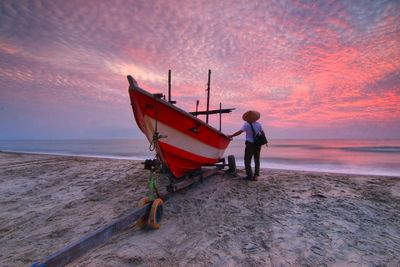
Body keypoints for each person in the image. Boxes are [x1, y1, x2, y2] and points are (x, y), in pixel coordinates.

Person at [228, 110, 267, 181]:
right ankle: (256, 175)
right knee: (257, 159)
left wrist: (232, 135)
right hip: (258, 144)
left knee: (247, 161)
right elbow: (262, 132)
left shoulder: (246, 124)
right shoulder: (259, 124)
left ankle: (250, 176)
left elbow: (240, 132)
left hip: (250, 144)